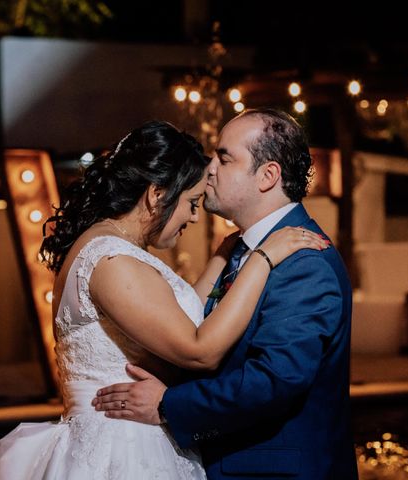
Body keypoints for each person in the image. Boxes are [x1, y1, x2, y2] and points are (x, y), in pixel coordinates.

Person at [0, 120, 327, 479]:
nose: (195, 216)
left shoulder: (111, 247)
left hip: (127, 435)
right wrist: (262, 258)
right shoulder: (112, 260)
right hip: (123, 447)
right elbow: (199, 350)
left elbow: (173, 318)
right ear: (157, 194)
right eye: (191, 203)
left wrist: (223, 256)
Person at [94, 109, 358, 479]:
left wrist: (168, 405)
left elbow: (274, 381)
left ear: (267, 176)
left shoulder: (304, 262)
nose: (209, 169)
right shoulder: (238, 250)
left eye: (224, 157)